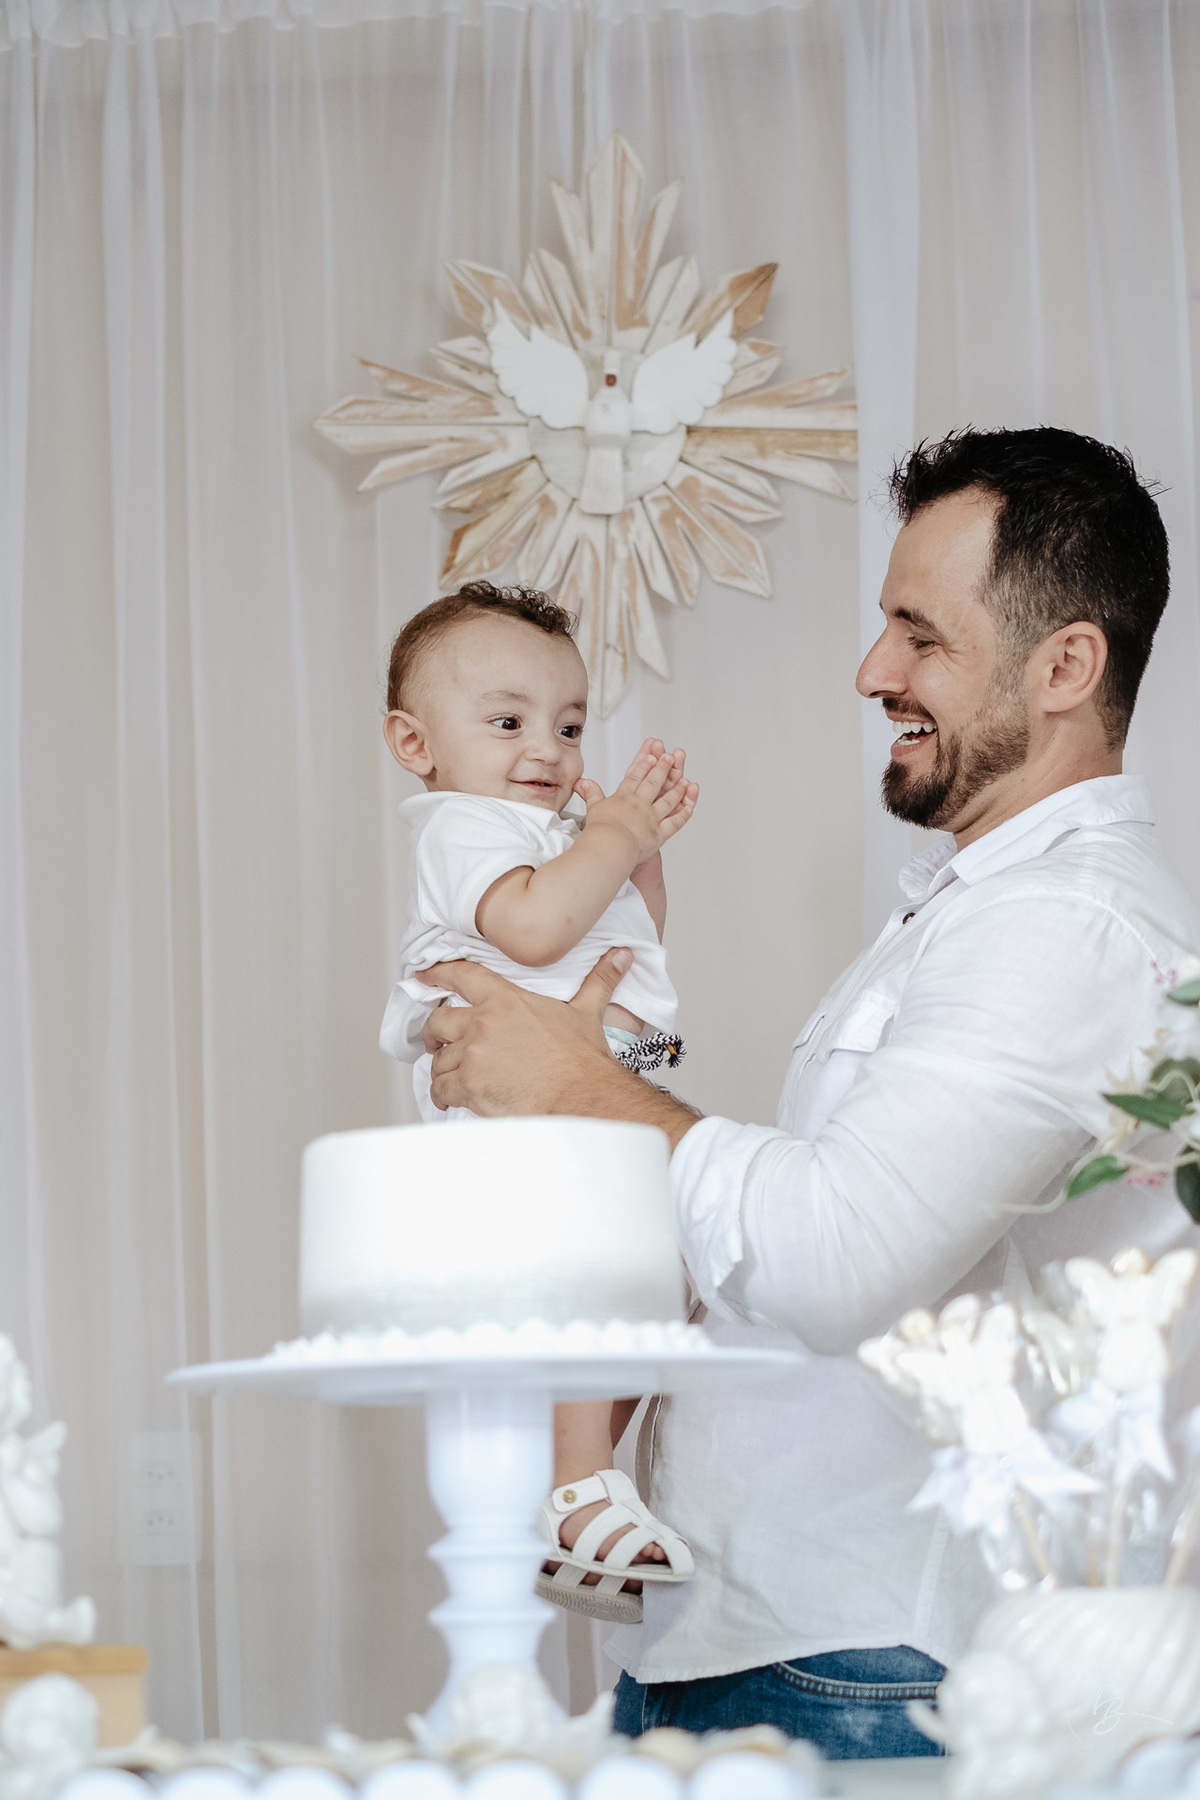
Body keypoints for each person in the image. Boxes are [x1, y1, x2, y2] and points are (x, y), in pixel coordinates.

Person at [417, 428, 1200, 1757]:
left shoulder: (1067, 930)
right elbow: (799, 1235)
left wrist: (582, 1084)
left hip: (872, 1661)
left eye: (921, 637)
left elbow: (837, 1261)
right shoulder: (974, 916)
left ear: (1067, 666)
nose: (872, 671)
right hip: (769, 1638)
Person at [378, 580, 699, 1622]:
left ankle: (571, 1479)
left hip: (596, 1083)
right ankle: (576, 1493)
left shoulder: (550, 834)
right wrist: (607, 836)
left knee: (681, 1275)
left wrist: (634, 858)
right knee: (599, 1267)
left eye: (568, 724)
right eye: (508, 722)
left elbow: (621, 931)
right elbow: (529, 932)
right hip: (520, 1108)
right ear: (414, 743)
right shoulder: (461, 827)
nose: (548, 750)